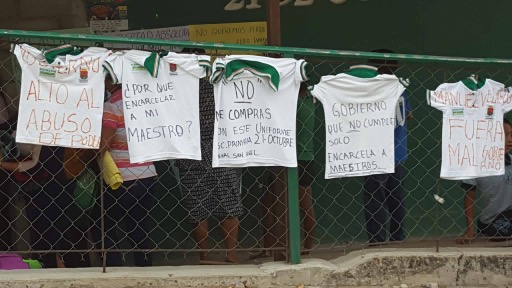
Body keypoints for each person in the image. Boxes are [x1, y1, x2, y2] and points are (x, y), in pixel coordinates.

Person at [177, 75, 243, 265]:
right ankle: (227, 255)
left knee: (200, 206)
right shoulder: (219, 86)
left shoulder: (181, 90)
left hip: (202, 149)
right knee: (221, 204)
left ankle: (209, 256)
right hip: (213, 149)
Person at [251, 83, 317, 259]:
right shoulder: (311, 99)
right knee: (305, 204)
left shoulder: (292, 103)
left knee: (270, 203)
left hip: (288, 158)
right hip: (306, 158)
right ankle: (307, 247)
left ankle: (270, 247)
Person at [101, 77, 157, 266]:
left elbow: (105, 144)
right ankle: (145, 268)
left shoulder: (112, 105)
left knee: (104, 222)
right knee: (139, 226)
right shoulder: (144, 102)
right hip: (148, 173)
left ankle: (113, 267)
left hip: (123, 177)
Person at [363, 49, 413, 244]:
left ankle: (377, 239)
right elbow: (409, 115)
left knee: (375, 197)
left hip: (376, 153)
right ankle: (397, 236)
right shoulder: (399, 87)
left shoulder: (372, 88)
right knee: (396, 197)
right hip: (397, 151)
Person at [457, 119, 512, 244]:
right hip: (492, 221)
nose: (510, 140)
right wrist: (470, 231)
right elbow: (469, 197)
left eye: (510, 135)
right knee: (500, 231)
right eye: (504, 135)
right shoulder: (475, 164)